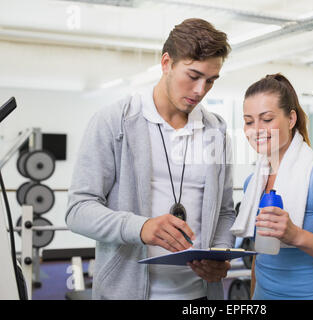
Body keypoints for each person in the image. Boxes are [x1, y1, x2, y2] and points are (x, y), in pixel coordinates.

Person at [66, 18, 235, 300]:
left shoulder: (215, 130)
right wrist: (140, 227)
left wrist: (219, 254)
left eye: (211, 81)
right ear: (166, 63)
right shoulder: (114, 122)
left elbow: (225, 212)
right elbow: (78, 210)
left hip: (200, 296)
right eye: (193, 76)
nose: (200, 91)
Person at [231, 73, 313, 300]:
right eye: (248, 121)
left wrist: (296, 236)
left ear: (291, 119)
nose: (256, 129)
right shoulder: (253, 183)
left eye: (266, 119)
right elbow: (260, 255)